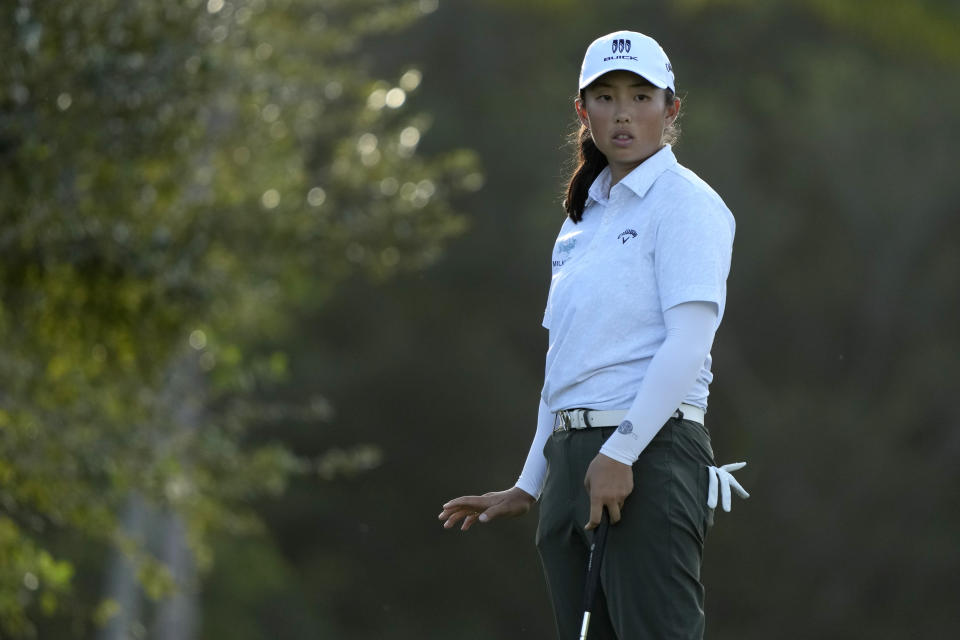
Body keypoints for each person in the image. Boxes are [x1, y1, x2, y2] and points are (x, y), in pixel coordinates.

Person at [438, 30, 748, 639]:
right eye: (605, 98)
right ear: (583, 111)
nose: (624, 113)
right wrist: (530, 482)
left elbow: (688, 342)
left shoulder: (687, 204)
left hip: (648, 453)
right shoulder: (582, 221)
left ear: (670, 109)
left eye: (641, 95)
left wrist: (621, 452)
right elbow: (567, 367)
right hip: (574, 463)